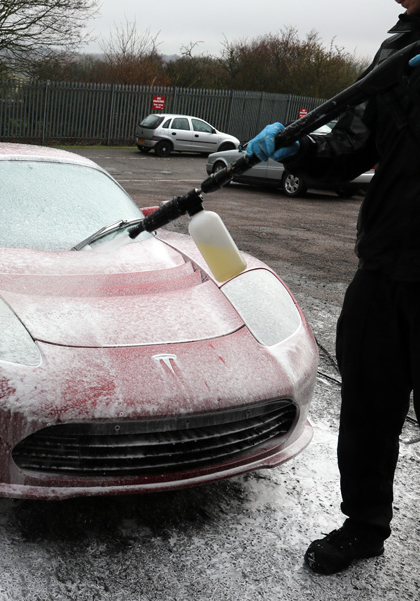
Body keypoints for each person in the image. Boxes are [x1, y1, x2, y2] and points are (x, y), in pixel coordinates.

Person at [246, 0, 420, 576]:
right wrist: (303, 149)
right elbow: (354, 146)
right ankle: (364, 525)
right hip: (386, 263)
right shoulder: (399, 48)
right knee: (369, 405)